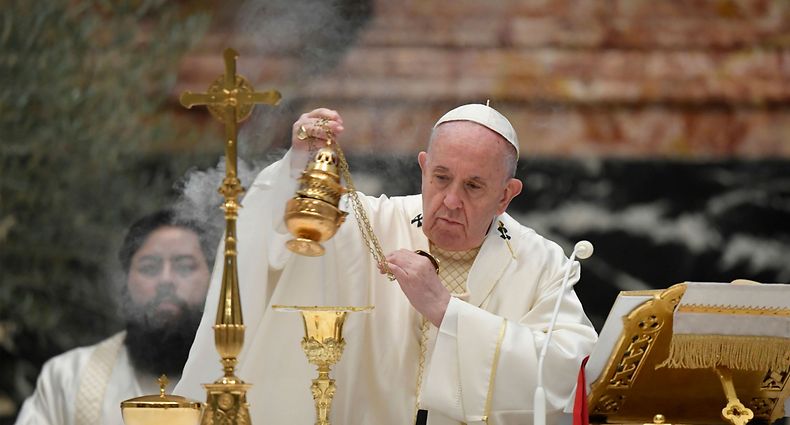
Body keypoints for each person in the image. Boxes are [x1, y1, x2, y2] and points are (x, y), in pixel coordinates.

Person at [176, 104, 598, 425]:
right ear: (423, 167)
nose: (451, 200)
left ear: (506, 195)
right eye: (441, 178)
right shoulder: (368, 224)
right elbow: (274, 237)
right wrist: (299, 167)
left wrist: (447, 312)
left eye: (473, 186)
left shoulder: (540, 262)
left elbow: (569, 373)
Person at [15, 209, 213, 425]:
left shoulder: (243, 374)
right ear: (126, 283)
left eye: (184, 266)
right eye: (149, 267)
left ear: (214, 279)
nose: (166, 280)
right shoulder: (68, 377)